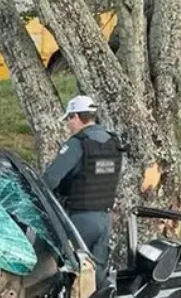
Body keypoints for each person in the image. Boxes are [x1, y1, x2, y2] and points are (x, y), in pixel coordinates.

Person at [42, 94, 123, 272]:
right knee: (97, 276)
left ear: (76, 117)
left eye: (69, 119)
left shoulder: (77, 144)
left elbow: (50, 179)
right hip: (104, 219)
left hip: (80, 219)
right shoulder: (113, 143)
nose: (69, 125)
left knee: (71, 274)